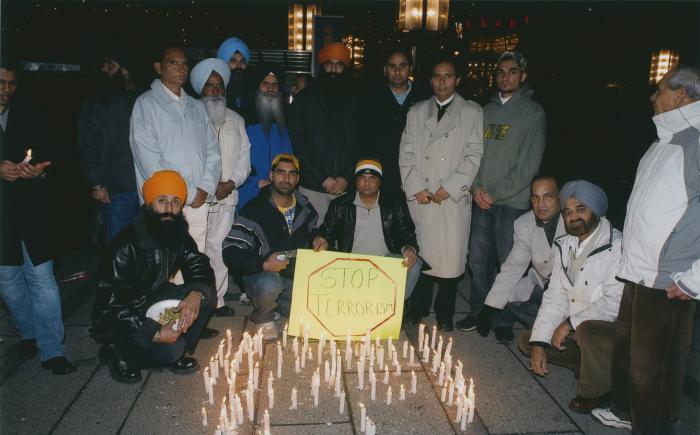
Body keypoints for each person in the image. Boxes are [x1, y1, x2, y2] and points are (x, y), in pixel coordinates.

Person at [592, 67, 700, 433]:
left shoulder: (697, 141)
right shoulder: (662, 141)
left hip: (668, 275)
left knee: (655, 365)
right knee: (630, 353)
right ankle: (626, 412)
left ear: (682, 95)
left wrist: (693, 279)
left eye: (660, 90)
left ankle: (652, 426)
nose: (652, 97)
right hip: (638, 268)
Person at [92, 170, 216, 383]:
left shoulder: (177, 233)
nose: (168, 209)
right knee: (170, 351)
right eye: (162, 201)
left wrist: (196, 294)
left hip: (155, 302)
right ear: (149, 203)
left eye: (175, 202)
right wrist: (155, 332)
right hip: (124, 318)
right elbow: (110, 305)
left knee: (205, 296)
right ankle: (115, 351)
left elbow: (199, 265)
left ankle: (174, 347)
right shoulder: (125, 245)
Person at [458, 51, 547, 334]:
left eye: (512, 71)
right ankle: (479, 312)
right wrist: (475, 188)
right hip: (481, 200)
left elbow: (528, 166)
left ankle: (505, 318)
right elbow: (472, 155)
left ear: (523, 75)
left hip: (511, 202)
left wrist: (494, 193)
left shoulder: (532, 113)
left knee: (509, 264)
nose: (505, 77)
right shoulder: (486, 111)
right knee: (478, 260)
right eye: (500, 72)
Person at [518, 180, 623, 414]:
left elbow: (614, 304)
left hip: (611, 330)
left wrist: (569, 324)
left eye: (581, 209)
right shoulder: (565, 244)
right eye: (567, 212)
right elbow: (555, 295)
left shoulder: (616, 247)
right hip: (577, 327)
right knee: (528, 342)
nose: (573, 216)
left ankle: (596, 392)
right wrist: (540, 342)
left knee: (587, 331)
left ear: (596, 210)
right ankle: (589, 365)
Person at [0, 61, 76, 375]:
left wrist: (38, 172)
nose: (6, 91)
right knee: (8, 281)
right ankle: (29, 331)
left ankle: (52, 349)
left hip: (31, 211)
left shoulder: (29, 113)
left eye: (12, 84)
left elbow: (53, 154)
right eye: (1, 83)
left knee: (42, 279)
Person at [399, 57, 483, 331]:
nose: (442, 82)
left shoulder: (472, 112)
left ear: (457, 80)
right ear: (430, 80)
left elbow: (473, 154)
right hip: (423, 196)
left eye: (448, 76)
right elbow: (406, 154)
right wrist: (416, 187)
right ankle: (419, 307)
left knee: (450, 260)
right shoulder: (416, 111)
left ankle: (444, 313)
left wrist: (451, 187)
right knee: (423, 254)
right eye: (437, 76)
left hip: (450, 198)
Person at [222, 154, 318, 340]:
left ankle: (280, 306)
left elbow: (311, 232)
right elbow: (230, 250)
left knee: (312, 307)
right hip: (262, 276)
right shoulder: (255, 209)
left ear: (297, 179)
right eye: (281, 172)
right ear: (271, 175)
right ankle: (263, 317)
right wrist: (263, 264)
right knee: (269, 284)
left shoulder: (306, 208)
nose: (286, 178)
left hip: (292, 278)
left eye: (291, 174)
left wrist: (317, 237)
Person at [462, 176, 565, 343]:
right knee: (505, 295)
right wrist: (488, 308)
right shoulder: (524, 223)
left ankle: (552, 328)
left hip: (571, 293)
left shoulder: (573, 222)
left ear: (559, 198)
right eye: (535, 197)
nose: (540, 204)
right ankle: (543, 326)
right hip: (543, 285)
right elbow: (513, 267)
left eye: (548, 196)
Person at [189, 58, 251, 317]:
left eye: (219, 86)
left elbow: (244, 157)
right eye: (209, 86)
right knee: (196, 248)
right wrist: (206, 184)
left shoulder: (236, 119)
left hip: (227, 195)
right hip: (199, 196)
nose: (215, 91)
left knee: (219, 248)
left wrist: (231, 182)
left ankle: (217, 300)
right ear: (200, 89)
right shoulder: (190, 116)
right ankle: (194, 301)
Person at [312, 158, 423, 300]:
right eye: (362, 177)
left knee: (415, 264)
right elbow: (326, 231)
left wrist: (409, 248)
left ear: (380, 182)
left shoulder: (394, 204)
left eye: (372, 178)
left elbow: (407, 233)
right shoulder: (340, 205)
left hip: (384, 260)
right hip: (350, 262)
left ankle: (396, 306)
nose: (366, 182)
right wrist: (321, 238)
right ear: (356, 181)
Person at [289, 42, 360, 224]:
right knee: (315, 243)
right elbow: (299, 144)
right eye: (329, 64)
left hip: (347, 187)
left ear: (345, 68)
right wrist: (323, 179)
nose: (334, 70)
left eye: (339, 65)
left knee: (344, 244)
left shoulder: (357, 100)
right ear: (322, 66)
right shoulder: (304, 101)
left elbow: (361, 143)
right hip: (313, 187)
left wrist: (346, 176)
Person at [78, 47, 141, 242]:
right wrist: (96, 183)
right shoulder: (96, 102)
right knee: (118, 248)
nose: (104, 69)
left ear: (126, 70)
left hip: (146, 187)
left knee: (146, 246)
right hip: (116, 191)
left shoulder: (144, 98)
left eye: (110, 64)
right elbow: (87, 144)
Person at [362, 49, 423, 198]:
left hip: (416, 176)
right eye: (392, 66)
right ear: (385, 69)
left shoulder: (424, 97)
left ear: (410, 68)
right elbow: (363, 139)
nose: (397, 71)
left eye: (403, 66)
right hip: (381, 175)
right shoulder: (370, 98)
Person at [238, 65, 292, 210]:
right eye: (265, 83)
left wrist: (277, 182)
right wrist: (255, 183)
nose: (270, 89)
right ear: (257, 87)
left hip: (279, 193)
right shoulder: (242, 118)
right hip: (248, 193)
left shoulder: (288, 120)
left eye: (274, 85)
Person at [217, 36, 252, 115]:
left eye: (243, 62)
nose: (239, 66)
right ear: (223, 63)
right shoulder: (214, 91)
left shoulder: (251, 91)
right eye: (233, 61)